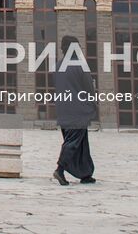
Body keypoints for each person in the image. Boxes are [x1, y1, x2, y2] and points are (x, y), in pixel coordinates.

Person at [52, 35, 96, 185]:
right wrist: (92, 104)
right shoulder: (80, 65)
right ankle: (60, 170)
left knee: (80, 143)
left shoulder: (58, 66)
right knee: (73, 142)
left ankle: (85, 174)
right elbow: (89, 88)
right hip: (78, 110)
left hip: (63, 109)